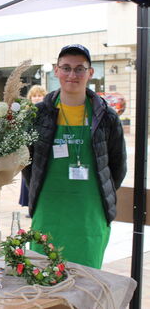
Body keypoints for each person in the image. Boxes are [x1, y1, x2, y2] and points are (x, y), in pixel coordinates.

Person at [23, 44, 127, 269]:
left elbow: (118, 167)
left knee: (86, 280)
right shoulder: (37, 115)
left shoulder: (106, 117)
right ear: (56, 70)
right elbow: (27, 163)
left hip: (90, 213)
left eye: (80, 69)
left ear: (90, 72)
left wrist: (97, 194)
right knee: (42, 275)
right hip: (48, 210)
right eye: (66, 68)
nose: (72, 75)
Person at [18, 85, 47, 211]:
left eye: (39, 95)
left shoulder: (48, 112)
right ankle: (30, 204)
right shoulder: (26, 111)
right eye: (34, 96)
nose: (36, 98)